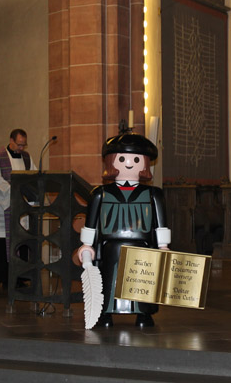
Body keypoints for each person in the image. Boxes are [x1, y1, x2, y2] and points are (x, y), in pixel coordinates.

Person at [77, 123, 171, 328]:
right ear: (112, 162)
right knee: (109, 279)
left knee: (142, 284)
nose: (129, 163)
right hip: (111, 248)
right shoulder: (100, 194)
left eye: (136, 159)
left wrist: (163, 247)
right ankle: (105, 312)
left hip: (142, 249)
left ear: (144, 164)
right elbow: (91, 224)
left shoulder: (154, 195)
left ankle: (143, 313)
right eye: (122, 158)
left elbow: (160, 225)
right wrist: (86, 245)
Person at [0, 129, 37, 287]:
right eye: (19, 144)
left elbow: (34, 175)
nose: (21, 148)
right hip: (6, 206)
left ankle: (21, 275)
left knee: (21, 240)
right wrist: (14, 190)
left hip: (22, 207)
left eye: (24, 145)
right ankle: (4, 277)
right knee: (5, 241)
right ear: (11, 140)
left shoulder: (26, 157)